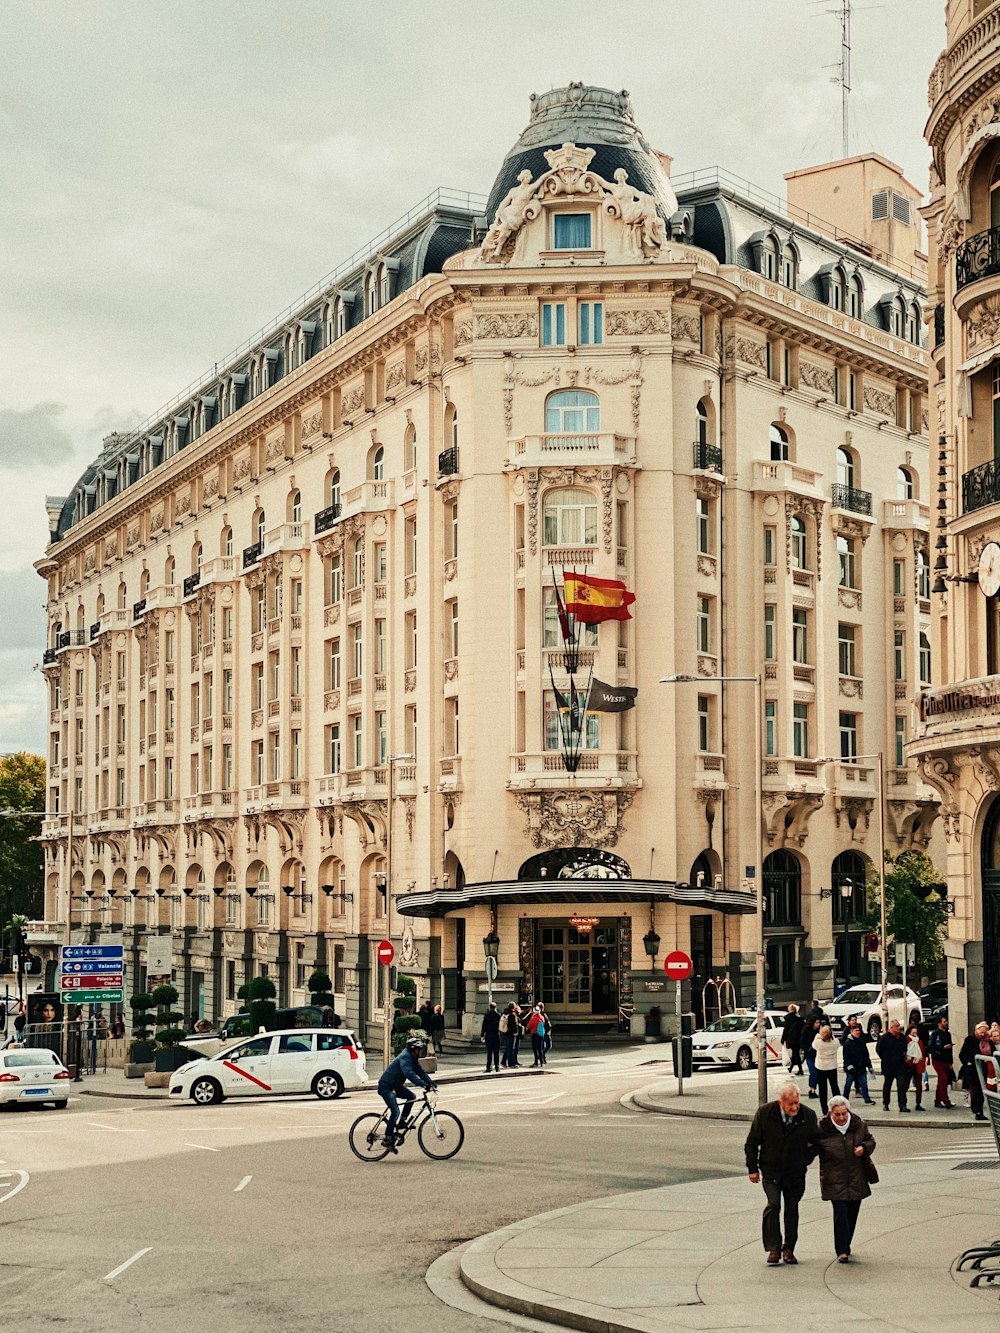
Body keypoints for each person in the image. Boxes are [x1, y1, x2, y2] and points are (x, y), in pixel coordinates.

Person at [744, 1081, 819, 1266]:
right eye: (790, 1104)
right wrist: (752, 1168)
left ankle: (789, 1249)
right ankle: (774, 1248)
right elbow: (752, 1143)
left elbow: (817, 1142)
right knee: (774, 1204)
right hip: (771, 1170)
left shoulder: (807, 1116)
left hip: (795, 1172)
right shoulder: (765, 1114)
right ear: (781, 1102)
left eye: (797, 1103)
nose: (794, 1107)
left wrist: (805, 1159)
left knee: (792, 1208)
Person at [813, 1095, 877, 1263]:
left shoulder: (859, 1125)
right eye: (838, 1115)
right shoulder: (822, 1128)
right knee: (840, 1212)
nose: (841, 1118)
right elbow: (811, 1148)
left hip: (856, 1176)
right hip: (833, 1177)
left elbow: (870, 1141)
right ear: (830, 1114)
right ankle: (842, 1249)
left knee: (852, 1212)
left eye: (844, 1114)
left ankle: (846, 1243)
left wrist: (864, 1148)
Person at [376, 1034, 436, 1148]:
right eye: (419, 1049)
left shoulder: (413, 1058)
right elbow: (408, 1073)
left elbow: (420, 1071)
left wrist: (430, 1082)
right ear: (414, 1049)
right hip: (386, 1086)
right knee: (395, 1111)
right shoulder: (405, 1057)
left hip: (396, 1085)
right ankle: (388, 1138)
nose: (420, 1052)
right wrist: (423, 1085)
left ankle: (402, 1121)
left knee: (411, 1097)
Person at [958, 1021, 995, 1122]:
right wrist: (969, 1062)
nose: (983, 1034)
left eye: (984, 1032)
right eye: (981, 1032)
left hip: (986, 1069)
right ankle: (977, 1112)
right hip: (972, 1070)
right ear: (976, 1031)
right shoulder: (970, 1040)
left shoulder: (989, 1041)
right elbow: (962, 1054)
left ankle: (981, 1111)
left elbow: (993, 1053)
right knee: (975, 1090)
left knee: (983, 1090)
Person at [876, 1019, 909, 1112]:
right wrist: (885, 1058)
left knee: (901, 1085)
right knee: (887, 1085)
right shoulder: (885, 1038)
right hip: (888, 1065)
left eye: (899, 1026)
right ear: (891, 1028)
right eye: (897, 1026)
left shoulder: (902, 1037)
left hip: (900, 1065)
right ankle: (886, 1103)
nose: (899, 1028)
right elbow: (879, 1049)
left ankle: (902, 1105)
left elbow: (905, 1048)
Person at [842, 1023, 875, 1106]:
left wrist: (869, 1066)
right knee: (848, 1084)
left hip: (861, 1067)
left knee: (864, 1084)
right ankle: (844, 1099)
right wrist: (849, 1066)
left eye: (859, 1030)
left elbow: (866, 1055)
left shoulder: (861, 1042)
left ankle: (867, 1099)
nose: (858, 1032)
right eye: (856, 1031)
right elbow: (846, 1056)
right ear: (852, 1031)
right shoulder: (848, 1043)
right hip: (852, 1068)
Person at [927, 1015, 955, 1108]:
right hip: (937, 1059)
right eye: (944, 1021)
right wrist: (942, 1047)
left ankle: (937, 1100)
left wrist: (951, 1062)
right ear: (939, 1023)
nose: (946, 1023)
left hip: (946, 1059)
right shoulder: (935, 1034)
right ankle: (945, 1100)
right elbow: (930, 1046)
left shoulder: (948, 1034)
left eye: (946, 1021)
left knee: (942, 1081)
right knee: (944, 1079)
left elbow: (950, 1049)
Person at [812, 1025, 841, 1114]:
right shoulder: (835, 1043)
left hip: (821, 1067)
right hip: (832, 1067)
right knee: (834, 1086)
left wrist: (818, 1035)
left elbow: (813, 1044)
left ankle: (824, 1110)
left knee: (823, 1089)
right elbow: (835, 1039)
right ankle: (838, 1104)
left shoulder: (818, 1043)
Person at [903, 1023, 927, 1111]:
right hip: (909, 1065)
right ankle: (903, 1103)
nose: (915, 1034)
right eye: (913, 1033)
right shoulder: (906, 1040)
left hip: (918, 1065)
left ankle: (918, 1103)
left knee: (919, 1086)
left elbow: (922, 1052)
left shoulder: (919, 1041)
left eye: (916, 1033)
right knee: (905, 1085)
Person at [801, 1016, 821, 1099]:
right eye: (816, 1023)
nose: (818, 1024)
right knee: (813, 1072)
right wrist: (808, 1049)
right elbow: (802, 1042)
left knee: (817, 1074)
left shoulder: (819, 1031)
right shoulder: (806, 1031)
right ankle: (811, 1089)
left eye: (819, 1023)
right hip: (809, 1055)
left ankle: (813, 1089)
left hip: (818, 1055)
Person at [782, 1004, 804, 1075]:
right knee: (795, 1053)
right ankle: (795, 1068)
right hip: (798, 1039)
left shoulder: (787, 1018)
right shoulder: (800, 1019)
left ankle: (798, 1069)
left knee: (795, 1054)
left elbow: (786, 1029)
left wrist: (783, 1039)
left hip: (790, 1039)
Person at [481, 1001, 501, 1072]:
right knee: (496, 1052)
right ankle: (497, 1067)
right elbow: (500, 1026)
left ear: (490, 1007)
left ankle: (488, 1067)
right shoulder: (498, 1015)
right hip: (496, 1035)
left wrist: (482, 1035)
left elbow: (483, 1026)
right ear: (495, 1007)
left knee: (489, 1052)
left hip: (489, 1035)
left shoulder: (487, 1015)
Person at [500, 1002, 521, 1068]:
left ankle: (503, 1062)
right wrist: (516, 1032)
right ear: (514, 1007)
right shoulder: (512, 1015)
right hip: (511, 1033)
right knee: (511, 1049)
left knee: (508, 1048)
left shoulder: (505, 1013)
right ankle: (511, 1064)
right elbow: (514, 1025)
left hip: (505, 1033)